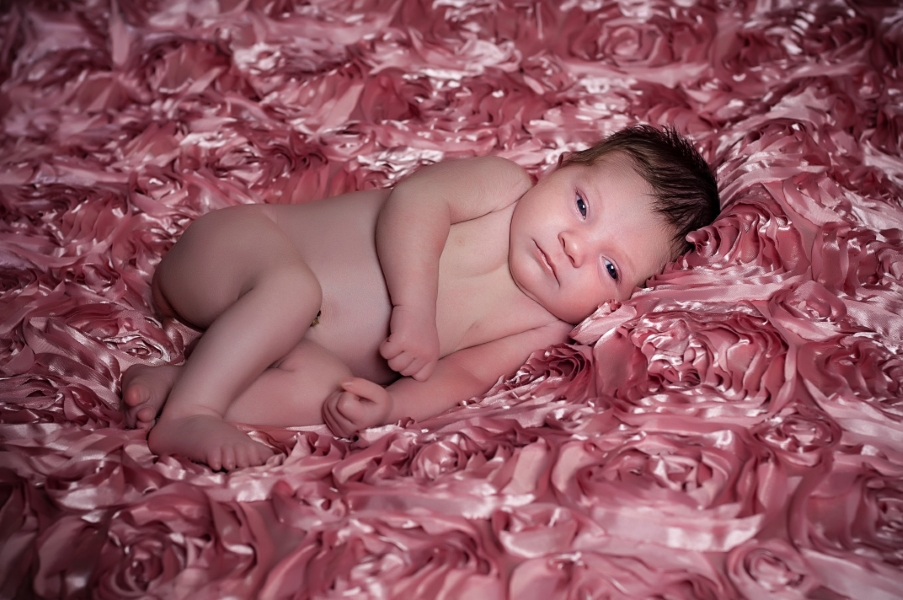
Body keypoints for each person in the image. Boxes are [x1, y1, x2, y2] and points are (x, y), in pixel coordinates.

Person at [121, 125, 720, 471]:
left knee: (324, 393)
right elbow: (414, 204)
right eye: (582, 207)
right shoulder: (503, 186)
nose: (573, 245)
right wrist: (414, 310)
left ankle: (188, 383)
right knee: (292, 291)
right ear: (559, 167)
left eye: (610, 266)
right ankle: (190, 418)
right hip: (237, 252)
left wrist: (389, 409)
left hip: (277, 342)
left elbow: (459, 377)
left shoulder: (543, 327)